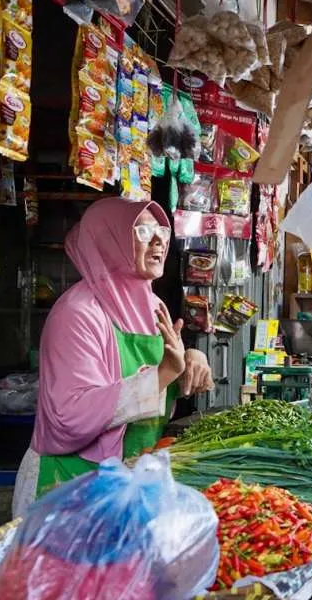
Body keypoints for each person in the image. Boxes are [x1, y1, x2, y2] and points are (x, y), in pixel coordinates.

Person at [12, 199, 214, 516]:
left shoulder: (151, 305)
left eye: (161, 229)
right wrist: (163, 374)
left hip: (122, 483)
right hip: (68, 486)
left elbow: (158, 374)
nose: (160, 239)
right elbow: (69, 417)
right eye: (143, 230)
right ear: (109, 241)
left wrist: (191, 358)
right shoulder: (78, 313)